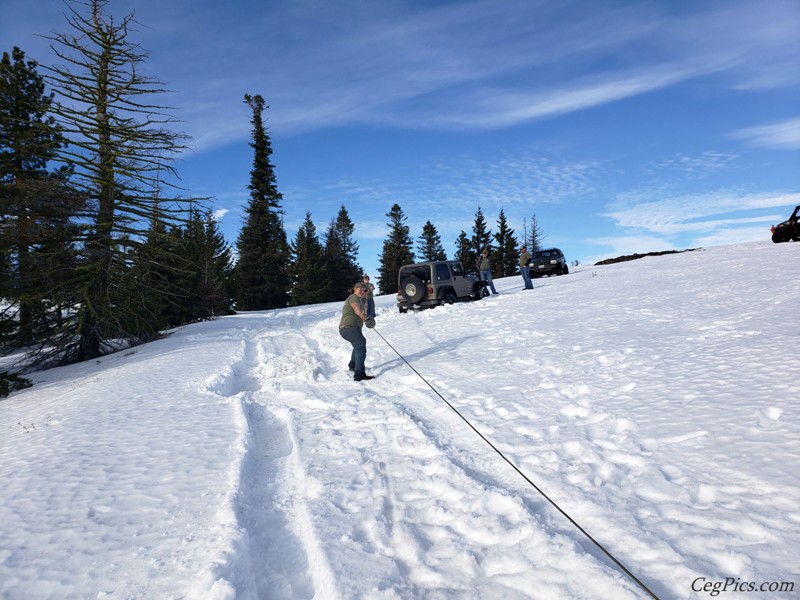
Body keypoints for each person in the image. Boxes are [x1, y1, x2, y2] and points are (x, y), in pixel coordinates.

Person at [339, 282, 374, 381]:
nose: (362, 292)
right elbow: (356, 309)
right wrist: (362, 315)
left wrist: (367, 320)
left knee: (358, 344)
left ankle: (353, 365)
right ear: (355, 288)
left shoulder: (357, 299)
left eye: (364, 290)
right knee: (360, 345)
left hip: (348, 328)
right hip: (349, 327)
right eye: (360, 289)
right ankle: (359, 374)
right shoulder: (353, 298)